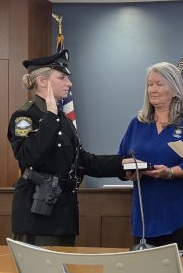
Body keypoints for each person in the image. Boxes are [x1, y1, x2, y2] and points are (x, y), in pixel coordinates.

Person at [7, 49, 124, 247]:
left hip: (63, 213)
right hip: (37, 214)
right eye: (62, 77)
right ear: (42, 81)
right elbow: (29, 157)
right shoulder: (25, 117)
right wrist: (50, 117)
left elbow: (81, 161)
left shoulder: (62, 119)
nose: (69, 83)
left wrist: (123, 164)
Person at [118, 62, 183, 249]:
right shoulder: (137, 124)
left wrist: (170, 172)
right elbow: (120, 159)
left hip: (181, 213)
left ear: (175, 90)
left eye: (159, 84)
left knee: (182, 272)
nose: (152, 89)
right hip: (145, 216)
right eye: (150, 84)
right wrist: (129, 172)